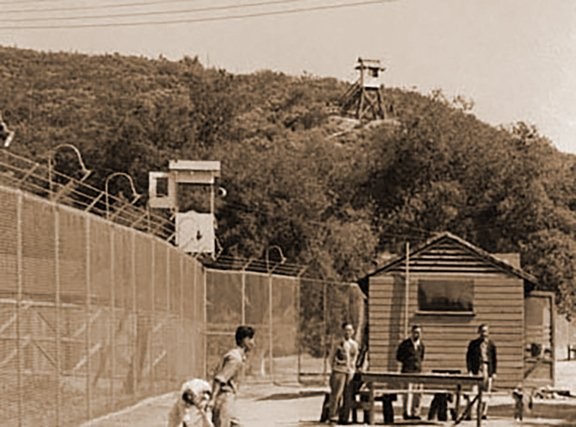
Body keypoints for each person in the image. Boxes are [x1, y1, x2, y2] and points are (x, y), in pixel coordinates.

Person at [211, 325, 256, 427]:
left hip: (229, 400)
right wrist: (212, 400)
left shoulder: (238, 356)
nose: (253, 343)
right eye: (251, 339)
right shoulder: (235, 359)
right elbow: (220, 379)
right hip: (224, 400)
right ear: (245, 340)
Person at [327, 322, 359, 424]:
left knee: (348, 395)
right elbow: (331, 357)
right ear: (342, 331)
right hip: (339, 371)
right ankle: (333, 416)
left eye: (350, 330)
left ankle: (344, 418)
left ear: (353, 332)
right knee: (336, 395)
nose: (348, 332)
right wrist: (334, 368)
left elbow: (354, 358)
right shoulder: (337, 343)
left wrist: (352, 370)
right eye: (346, 330)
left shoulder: (354, 344)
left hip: (350, 372)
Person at [466, 323, 497, 420]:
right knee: (473, 391)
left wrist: (494, 372)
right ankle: (471, 413)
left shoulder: (491, 344)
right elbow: (468, 358)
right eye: (482, 331)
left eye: (486, 331)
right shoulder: (473, 344)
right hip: (476, 368)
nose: (484, 333)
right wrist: (470, 370)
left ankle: (483, 413)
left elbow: (494, 359)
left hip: (487, 368)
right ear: (479, 332)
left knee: (487, 391)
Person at [396, 324, 425, 420]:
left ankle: (415, 413)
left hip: (418, 372)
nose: (417, 334)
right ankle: (406, 413)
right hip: (407, 372)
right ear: (411, 333)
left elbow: (421, 357)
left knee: (418, 393)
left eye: (419, 333)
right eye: (415, 332)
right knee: (408, 393)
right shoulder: (405, 344)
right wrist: (408, 361)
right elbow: (399, 357)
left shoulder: (421, 345)